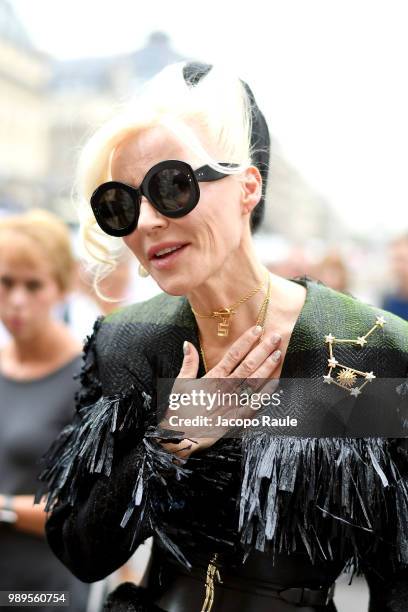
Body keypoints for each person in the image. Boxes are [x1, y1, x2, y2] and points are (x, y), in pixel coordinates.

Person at [36, 62, 408, 612]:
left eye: (171, 186)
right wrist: (173, 438)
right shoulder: (126, 345)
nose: (145, 222)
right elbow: (82, 551)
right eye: (120, 203)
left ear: (247, 187)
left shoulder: (367, 345)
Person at [0, 210, 90, 611]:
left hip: (41, 592)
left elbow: (87, 512)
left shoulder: (87, 378)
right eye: (5, 283)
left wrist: (4, 509)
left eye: (33, 285)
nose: (17, 300)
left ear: (62, 286)